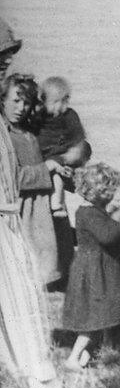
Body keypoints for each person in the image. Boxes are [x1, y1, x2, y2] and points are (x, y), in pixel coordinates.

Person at [0, 17, 88, 388]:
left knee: (29, 329)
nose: (3, 68)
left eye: (6, 60)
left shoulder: (13, 124)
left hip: (6, 226)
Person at [62, 162, 120, 370]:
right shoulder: (89, 213)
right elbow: (107, 237)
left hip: (100, 268)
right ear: (100, 192)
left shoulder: (95, 211)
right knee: (94, 317)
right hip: (93, 270)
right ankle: (74, 358)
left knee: (100, 315)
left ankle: (86, 359)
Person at [1, 73, 66, 287]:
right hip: (18, 213)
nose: (21, 108)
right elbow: (12, 179)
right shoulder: (4, 136)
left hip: (39, 212)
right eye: (16, 101)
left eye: (26, 103)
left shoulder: (29, 133)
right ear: (2, 99)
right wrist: (46, 169)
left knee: (40, 275)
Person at [37, 76, 90, 217]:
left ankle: (57, 204)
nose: (58, 107)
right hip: (46, 158)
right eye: (53, 102)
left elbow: (79, 139)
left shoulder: (70, 116)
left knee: (59, 177)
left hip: (64, 155)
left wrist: (73, 154)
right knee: (55, 175)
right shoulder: (39, 117)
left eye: (61, 102)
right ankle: (57, 205)